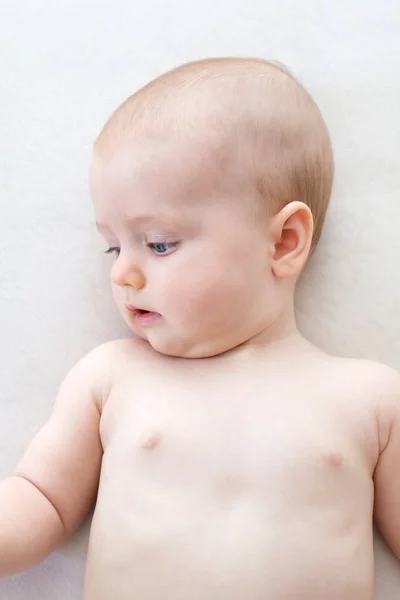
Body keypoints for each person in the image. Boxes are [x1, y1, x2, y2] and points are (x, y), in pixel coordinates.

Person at [1, 57, 399, 600]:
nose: (122, 272)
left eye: (159, 243)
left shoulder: (370, 399)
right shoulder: (113, 377)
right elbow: (41, 498)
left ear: (283, 243)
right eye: (114, 245)